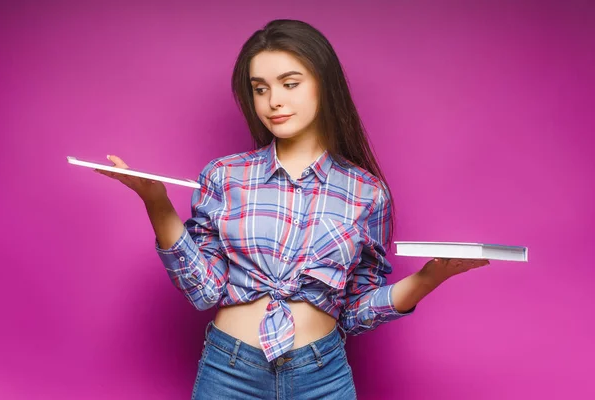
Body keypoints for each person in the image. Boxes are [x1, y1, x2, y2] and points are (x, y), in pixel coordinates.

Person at [96, 19, 490, 400]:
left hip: (322, 375)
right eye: (260, 89)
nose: (274, 101)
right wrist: (157, 203)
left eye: (289, 84)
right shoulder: (224, 175)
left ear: (324, 84)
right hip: (229, 371)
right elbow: (204, 291)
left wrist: (430, 277)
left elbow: (353, 311)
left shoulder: (367, 193)